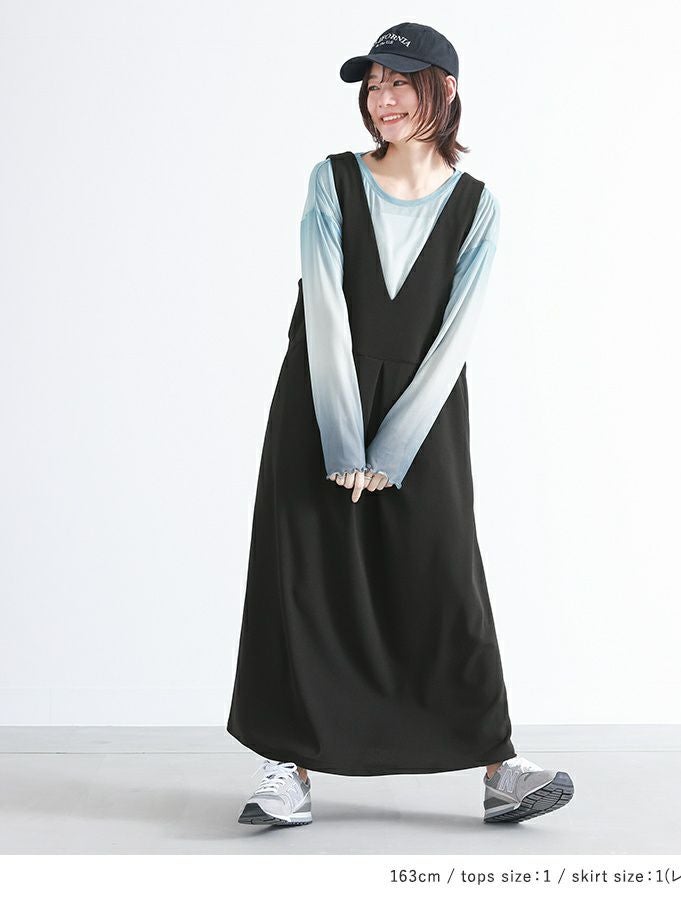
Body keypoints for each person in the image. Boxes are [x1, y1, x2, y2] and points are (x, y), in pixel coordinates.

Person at [226, 22, 574, 827]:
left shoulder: (477, 206)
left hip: (425, 415)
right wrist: (344, 439)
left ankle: (500, 767)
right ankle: (287, 770)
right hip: (320, 400)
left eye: (400, 83)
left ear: (442, 91)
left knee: (444, 576)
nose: (382, 99)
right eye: (374, 84)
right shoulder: (333, 179)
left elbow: (455, 338)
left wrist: (393, 448)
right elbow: (324, 309)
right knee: (304, 578)